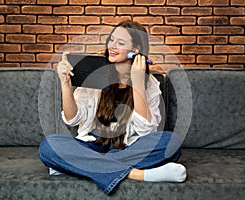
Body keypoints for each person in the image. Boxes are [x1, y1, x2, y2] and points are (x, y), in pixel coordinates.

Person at [38, 20, 186, 194]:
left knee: (171, 142)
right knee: (49, 146)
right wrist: (65, 84)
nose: (112, 46)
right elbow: (72, 119)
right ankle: (136, 174)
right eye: (111, 40)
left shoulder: (150, 84)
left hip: (128, 148)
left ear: (136, 50)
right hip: (94, 146)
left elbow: (147, 132)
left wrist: (138, 83)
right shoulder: (94, 72)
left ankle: (81, 165)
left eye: (120, 43)